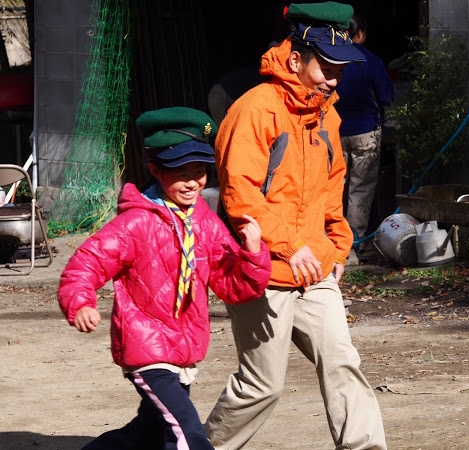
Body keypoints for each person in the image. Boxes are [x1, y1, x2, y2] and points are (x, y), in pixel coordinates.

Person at [204, 3, 387, 449]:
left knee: (343, 363)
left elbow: (332, 191)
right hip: (262, 268)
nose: (333, 79)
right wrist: (287, 246)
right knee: (262, 386)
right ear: (294, 59)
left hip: (315, 268)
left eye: (340, 70)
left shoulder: (328, 114)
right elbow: (240, 198)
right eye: (326, 67)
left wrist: (338, 246)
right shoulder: (254, 111)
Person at [56, 106, 271, 450]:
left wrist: (253, 254)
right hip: (147, 349)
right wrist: (81, 301)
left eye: (199, 170)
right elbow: (85, 264)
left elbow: (234, 287)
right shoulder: (135, 223)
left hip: (184, 349)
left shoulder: (204, 220)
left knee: (147, 433)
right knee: (185, 431)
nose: (191, 181)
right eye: (179, 171)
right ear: (155, 169)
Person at [335, 11, 395, 265]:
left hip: (334, 132)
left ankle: (334, 245)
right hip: (366, 133)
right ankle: (353, 247)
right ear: (360, 34)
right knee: (360, 191)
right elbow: (386, 97)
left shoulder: (330, 58)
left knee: (334, 188)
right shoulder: (370, 61)